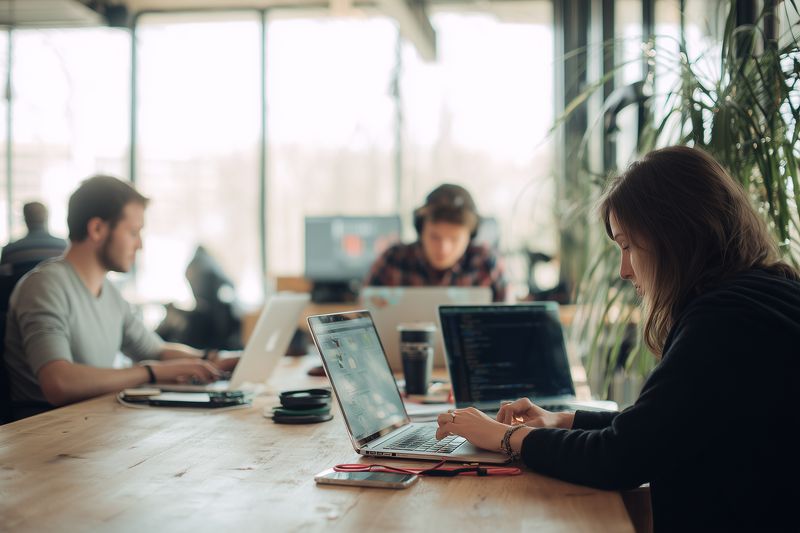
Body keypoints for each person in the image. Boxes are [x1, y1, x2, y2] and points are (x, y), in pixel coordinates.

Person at [434, 146, 800, 531]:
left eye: (627, 246)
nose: (625, 270)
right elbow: (662, 427)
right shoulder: (766, 293)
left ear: (673, 235)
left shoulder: (723, 321)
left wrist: (507, 437)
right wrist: (563, 420)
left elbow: (622, 458)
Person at [4, 176, 238, 419]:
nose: (140, 245)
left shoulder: (111, 293)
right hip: (44, 434)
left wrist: (213, 360)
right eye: (133, 232)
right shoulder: (44, 286)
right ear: (96, 229)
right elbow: (59, 383)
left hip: (90, 425)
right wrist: (151, 373)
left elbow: (156, 351)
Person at [364, 183, 507, 302]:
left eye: (454, 239)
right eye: (434, 237)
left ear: (470, 236)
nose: (443, 248)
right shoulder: (393, 259)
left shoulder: (487, 263)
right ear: (421, 231)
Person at [0, 201, 67, 274]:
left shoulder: (10, 250)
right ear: (47, 217)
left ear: (25, 219)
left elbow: (3, 280)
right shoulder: (64, 247)